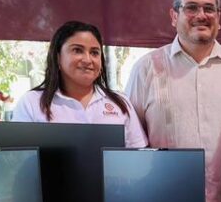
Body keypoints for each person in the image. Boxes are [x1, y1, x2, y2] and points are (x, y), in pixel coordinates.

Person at [125, 0, 221, 202]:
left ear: (218, 17)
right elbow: (133, 143)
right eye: (191, 8)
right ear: (174, 16)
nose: (201, 16)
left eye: (209, 9)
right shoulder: (147, 69)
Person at [12, 20, 147, 148]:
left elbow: (138, 156)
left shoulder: (120, 103)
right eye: (77, 50)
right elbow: (19, 161)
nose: (88, 59)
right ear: (58, 57)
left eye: (94, 53)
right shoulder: (32, 103)